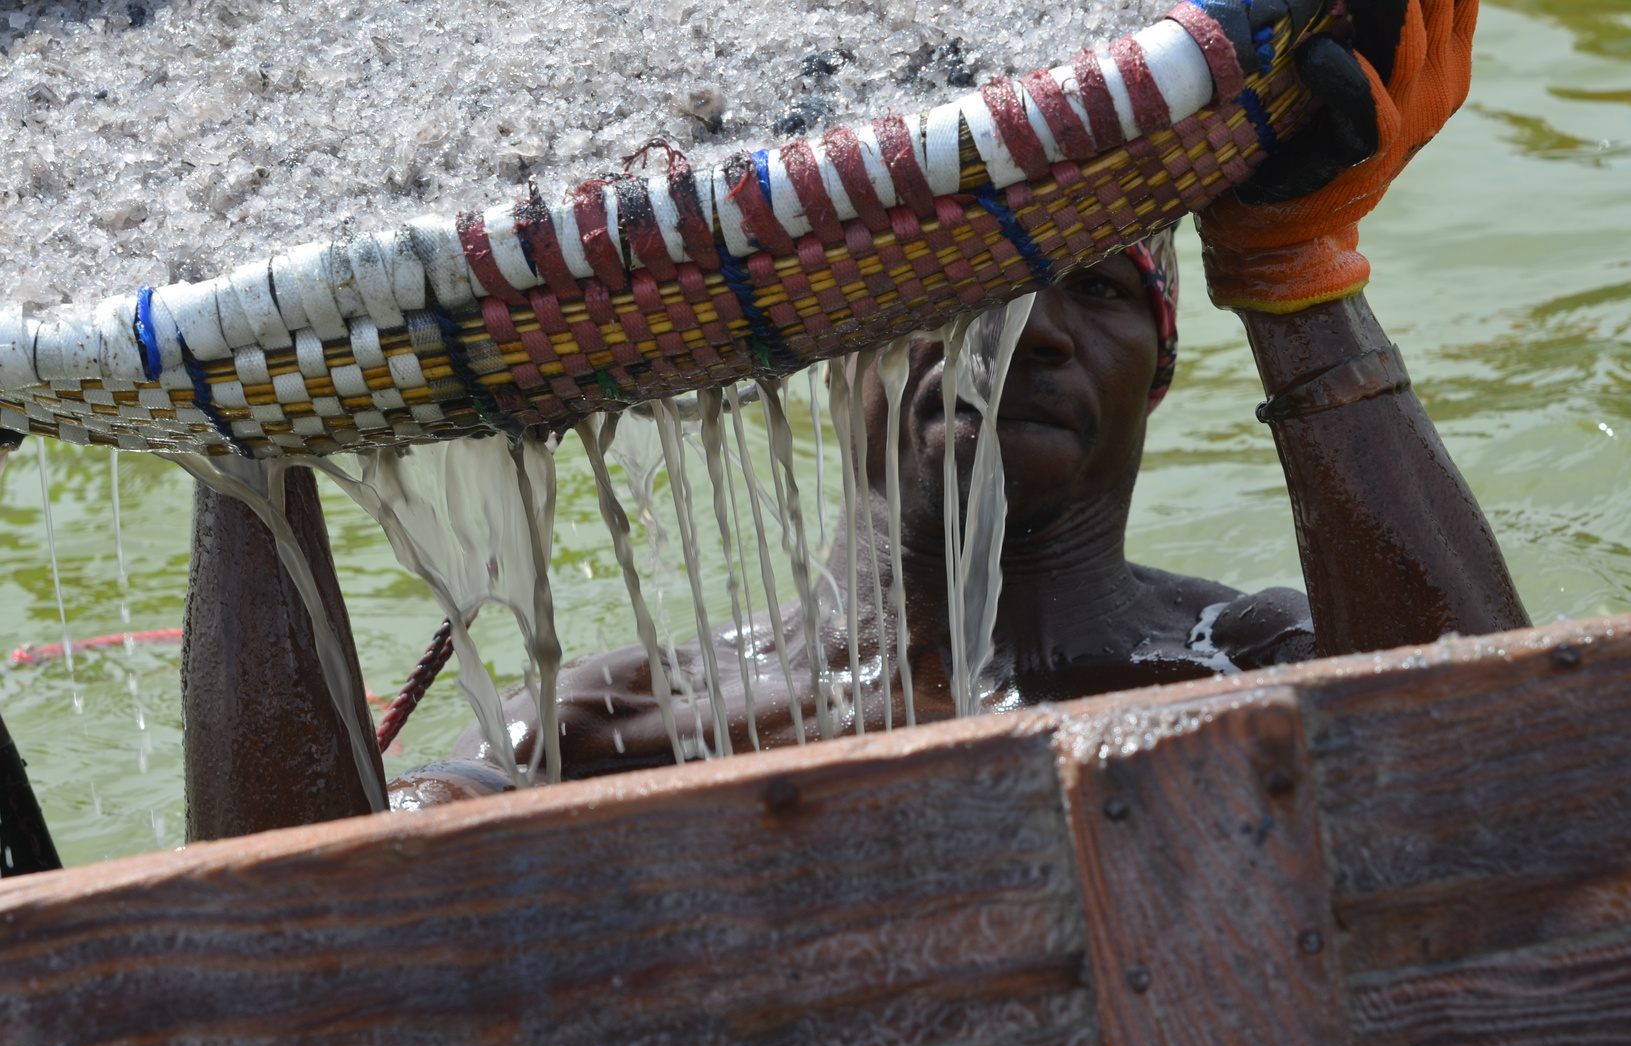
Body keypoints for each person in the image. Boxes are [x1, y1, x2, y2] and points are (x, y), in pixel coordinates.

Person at [386, 0, 1527, 804]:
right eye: (962, 290)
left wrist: (1295, 271)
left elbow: (1506, 781)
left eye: (1091, 287)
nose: (1023, 328)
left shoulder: (1253, 661)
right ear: (835, 347)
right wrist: (241, 449)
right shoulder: (602, 730)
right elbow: (275, 935)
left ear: (1160, 370)